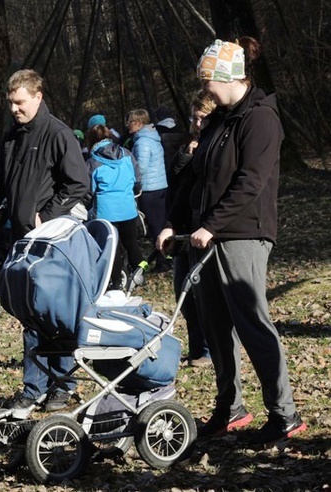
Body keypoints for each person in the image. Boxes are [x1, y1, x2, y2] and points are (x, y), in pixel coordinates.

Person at [156, 37, 306, 446]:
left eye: (209, 83)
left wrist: (214, 225)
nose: (206, 92)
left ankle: (284, 414)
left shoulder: (260, 118)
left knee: (252, 322)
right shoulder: (221, 118)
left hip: (244, 234)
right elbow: (195, 179)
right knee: (214, 325)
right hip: (206, 237)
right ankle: (230, 407)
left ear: (229, 78)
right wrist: (173, 223)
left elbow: (251, 182)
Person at [0, 69, 90, 411]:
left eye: (20, 103)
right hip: (22, 243)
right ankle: (34, 388)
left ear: (37, 97)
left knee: (58, 314)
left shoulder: (59, 134)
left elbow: (79, 185)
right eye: (10, 104)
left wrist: (46, 216)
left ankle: (63, 386)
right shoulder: (10, 139)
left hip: (54, 243)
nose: (15, 109)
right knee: (31, 314)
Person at [168, 91, 216, 368]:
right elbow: (176, 180)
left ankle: (209, 349)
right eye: (193, 118)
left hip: (204, 228)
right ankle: (197, 346)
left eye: (202, 118)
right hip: (182, 226)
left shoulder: (215, 146)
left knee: (202, 294)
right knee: (183, 294)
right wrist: (186, 155)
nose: (197, 123)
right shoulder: (188, 145)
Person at [85, 124, 143, 289]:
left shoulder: (92, 162)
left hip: (105, 213)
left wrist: (89, 204)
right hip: (128, 209)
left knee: (112, 249)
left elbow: (88, 190)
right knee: (133, 245)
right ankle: (141, 273)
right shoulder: (127, 154)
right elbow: (138, 179)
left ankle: (116, 282)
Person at [126, 108, 169, 271]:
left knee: (155, 226)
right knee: (159, 224)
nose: (127, 125)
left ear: (138, 123)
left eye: (129, 122)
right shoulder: (152, 138)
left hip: (150, 189)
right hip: (159, 186)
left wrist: (133, 183)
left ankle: (163, 261)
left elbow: (140, 168)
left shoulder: (142, 142)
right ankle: (165, 258)